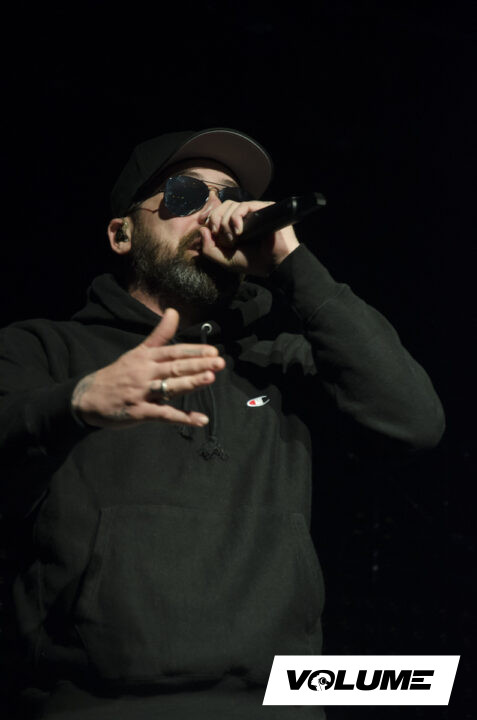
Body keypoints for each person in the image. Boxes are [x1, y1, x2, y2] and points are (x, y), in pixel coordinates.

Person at [0, 127, 445, 719]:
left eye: (229, 198)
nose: (213, 213)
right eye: (185, 195)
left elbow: (415, 421)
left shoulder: (279, 362)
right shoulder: (42, 350)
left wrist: (291, 264)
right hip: (98, 705)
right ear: (121, 233)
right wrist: (77, 401)